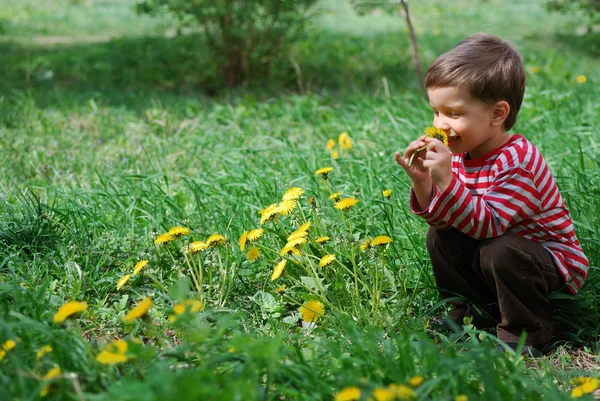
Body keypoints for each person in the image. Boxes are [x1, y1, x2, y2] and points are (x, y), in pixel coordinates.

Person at [395, 33, 589, 354]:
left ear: (497, 114)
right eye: (436, 112)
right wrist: (424, 184)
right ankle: (471, 312)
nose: (440, 125)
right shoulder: (460, 153)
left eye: (454, 114)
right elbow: (450, 220)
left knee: (500, 250)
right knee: (439, 236)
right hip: (495, 252)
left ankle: (526, 332)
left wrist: (446, 180)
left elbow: (488, 225)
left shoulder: (519, 160)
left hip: (547, 262)